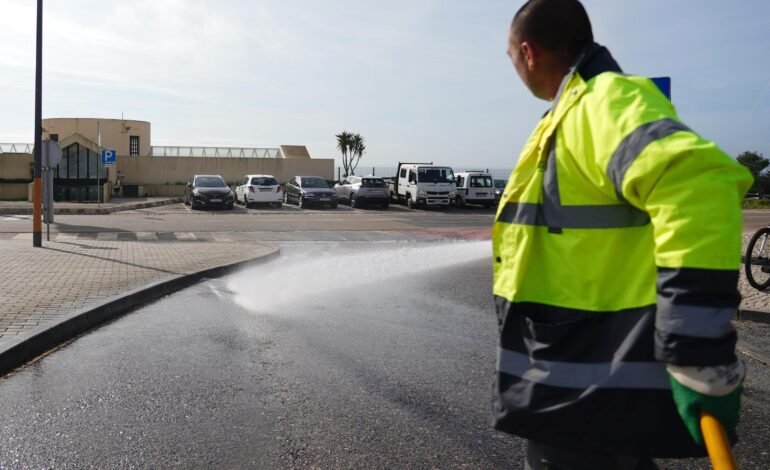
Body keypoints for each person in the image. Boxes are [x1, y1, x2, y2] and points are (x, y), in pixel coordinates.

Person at [492, 0, 753, 468]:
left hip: (587, 378)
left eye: (509, 57)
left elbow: (699, 186)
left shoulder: (602, 101)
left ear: (528, 52)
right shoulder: (574, 109)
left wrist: (695, 347)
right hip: (583, 372)